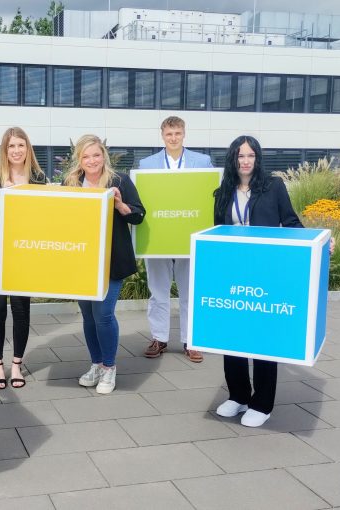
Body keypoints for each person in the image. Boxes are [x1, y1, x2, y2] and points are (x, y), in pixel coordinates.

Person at [212, 135, 303, 428]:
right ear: (233, 159)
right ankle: (238, 395)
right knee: (232, 335)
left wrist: (320, 242)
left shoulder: (273, 186)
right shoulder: (222, 191)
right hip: (233, 271)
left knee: (264, 337)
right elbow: (217, 232)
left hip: (266, 270)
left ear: (258, 158)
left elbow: (290, 223)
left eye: (250, 155)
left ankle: (262, 404)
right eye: (240, 156)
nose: (246, 161)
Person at [64, 135, 145, 394]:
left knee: (104, 314)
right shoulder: (72, 182)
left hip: (111, 259)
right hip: (81, 260)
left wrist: (120, 204)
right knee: (88, 315)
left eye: (96, 155)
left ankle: (110, 368)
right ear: (79, 159)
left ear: (104, 156)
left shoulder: (119, 180)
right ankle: (96, 364)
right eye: (86, 156)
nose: (92, 161)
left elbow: (139, 215)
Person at [0, 127, 46, 390]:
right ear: (4, 150)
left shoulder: (38, 177)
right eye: (11, 146)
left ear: (28, 148)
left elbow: (44, 217)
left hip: (23, 251)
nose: (16, 151)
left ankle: (16, 364)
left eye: (21, 145)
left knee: (21, 310)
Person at [139, 116, 213, 363]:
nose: (173, 138)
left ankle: (190, 340)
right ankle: (159, 338)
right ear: (162, 135)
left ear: (184, 134)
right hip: (158, 236)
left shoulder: (202, 162)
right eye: (169, 134)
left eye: (178, 133)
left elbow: (207, 198)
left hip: (189, 236)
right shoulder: (146, 164)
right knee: (157, 291)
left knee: (189, 291)